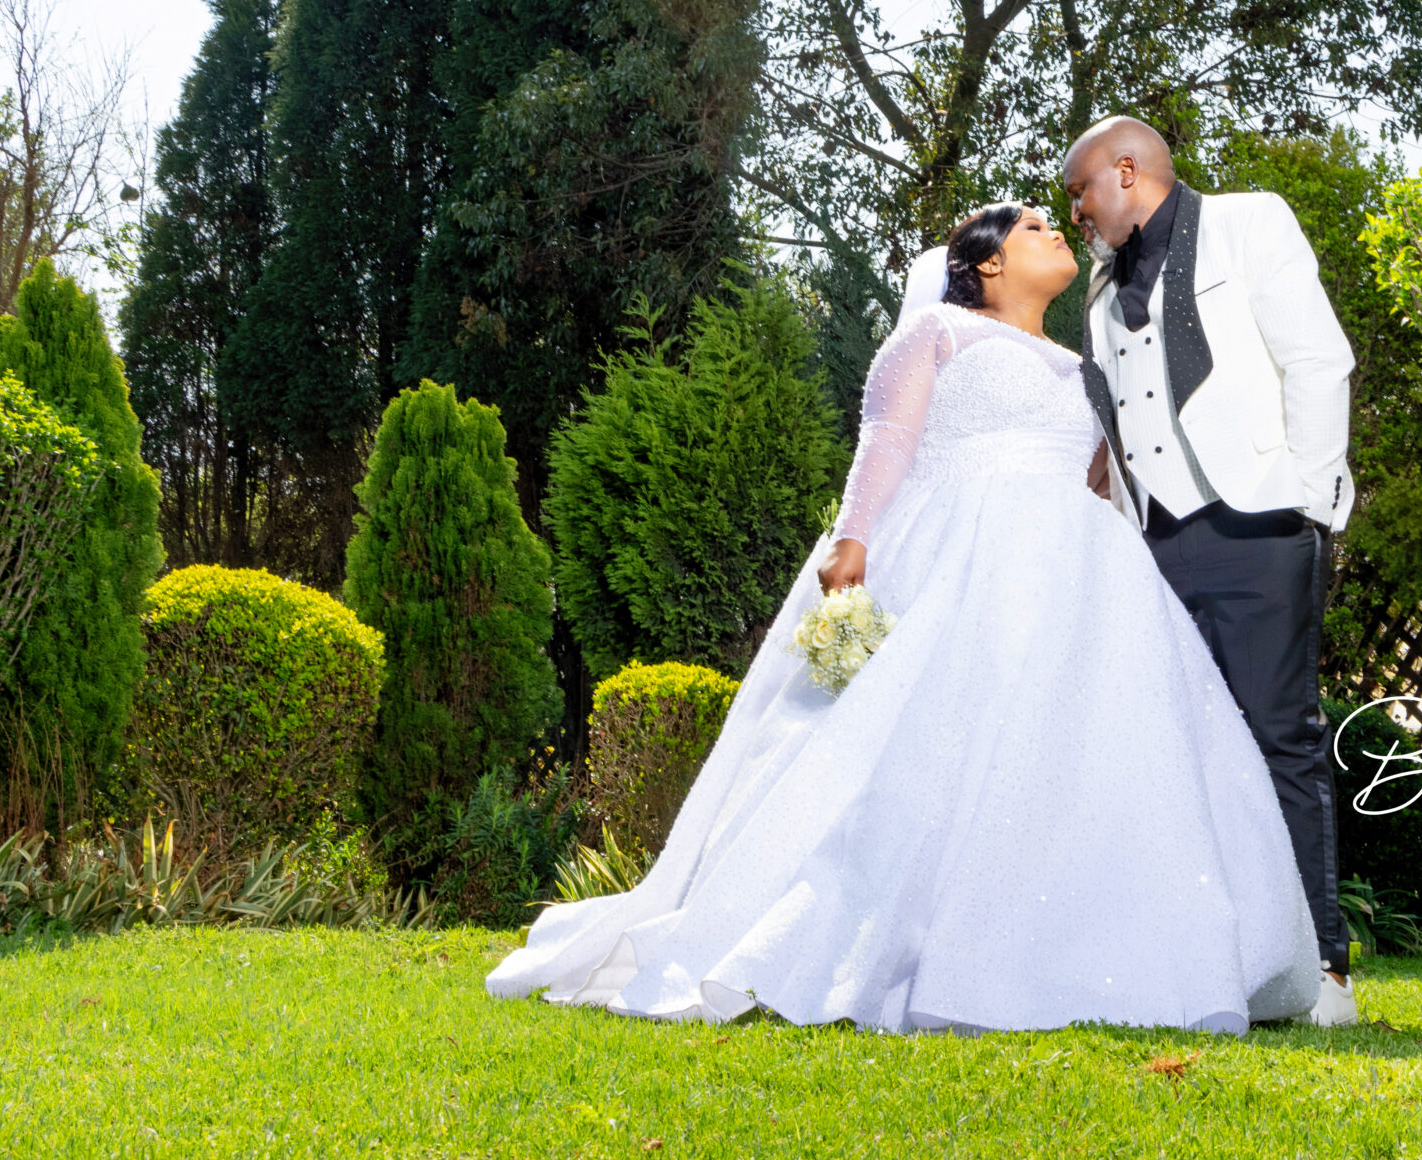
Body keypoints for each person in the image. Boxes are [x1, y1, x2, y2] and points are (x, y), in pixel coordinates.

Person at [487, 203, 1321, 1033]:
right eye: (1033, 225)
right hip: (964, 555)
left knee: (1082, 757)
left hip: (1080, 580)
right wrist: (853, 540)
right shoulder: (937, 335)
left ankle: (1086, 951)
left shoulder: (1081, 366)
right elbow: (886, 437)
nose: (1054, 229)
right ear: (988, 263)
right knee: (931, 753)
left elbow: (1099, 476)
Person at [1061, 116, 1359, 1026]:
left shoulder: (1248, 222)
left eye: (1082, 193)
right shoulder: (1102, 296)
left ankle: (1326, 971)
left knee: (1282, 739)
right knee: (1185, 756)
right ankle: (1215, 960)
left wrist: (1307, 499)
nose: (1075, 213)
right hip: (1160, 547)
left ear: (1126, 170)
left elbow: (1318, 357)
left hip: (1262, 525)